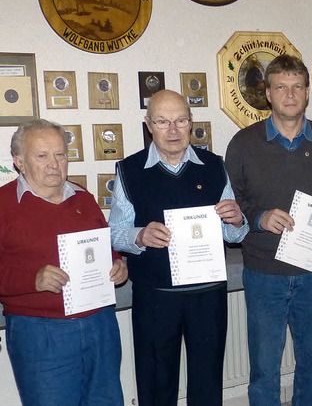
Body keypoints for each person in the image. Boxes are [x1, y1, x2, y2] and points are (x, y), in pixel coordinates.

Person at [108, 89, 248, 406]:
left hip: (207, 294)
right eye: (162, 121)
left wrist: (238, 220)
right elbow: (114, 233)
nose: (173, 130)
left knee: (208, 381)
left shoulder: (214, 166)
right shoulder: (129, 171)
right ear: (149, 124)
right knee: (156, 383)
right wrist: (140, 235)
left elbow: (235, 234)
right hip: (156, 296)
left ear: (190, 122)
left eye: (180, 120)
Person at [225, 54, 312, 406]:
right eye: (281, 87)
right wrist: (259, 216)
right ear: (268, 94)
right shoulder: (242, 144)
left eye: (297, 87)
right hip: (263, 274)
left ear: (307, 93)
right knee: (264, 369)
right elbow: (229, 204)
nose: (289, 95)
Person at [0, 119, 128, 406]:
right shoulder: (3, 204)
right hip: (40, 331)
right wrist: (32, 280)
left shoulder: (83, 196)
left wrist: (118, 264)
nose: (53, 164)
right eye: (42, 156)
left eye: (60, 155)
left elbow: (104, 247)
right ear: (19, 162)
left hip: (99, 324)